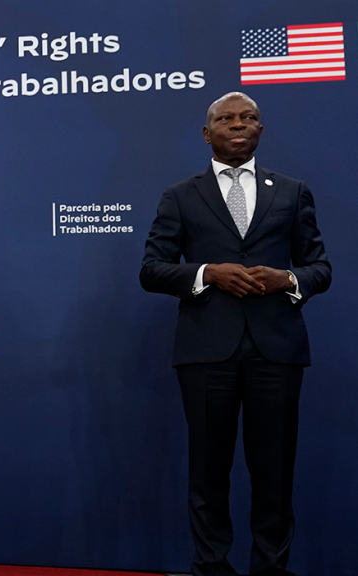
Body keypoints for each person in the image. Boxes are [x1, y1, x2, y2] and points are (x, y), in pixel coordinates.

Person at [141, 92, 331, 576]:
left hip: (277, 350)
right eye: (226, 119)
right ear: (208, 134)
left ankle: (271, 568)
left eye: (249, 118)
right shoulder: (180, 196)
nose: (238, 124)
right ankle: (211, 566)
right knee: (209, 473)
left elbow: (318, 267)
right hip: (207, 351)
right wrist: (207, 272)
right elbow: (152, 269)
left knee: (274, 474)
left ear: (261, 131)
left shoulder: (292, 191)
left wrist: (287, 280)